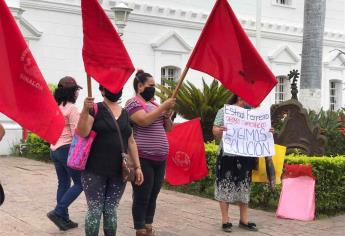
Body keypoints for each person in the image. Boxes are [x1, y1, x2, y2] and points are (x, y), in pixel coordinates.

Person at [77, 85, 144, 236]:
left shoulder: (126, 114)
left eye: (118, 86)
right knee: (94, 210)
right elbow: (82, 132)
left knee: (111, 210)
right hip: (94, 171)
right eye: (111, 87)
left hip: (118, 171)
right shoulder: (95, 109)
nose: (115, 89)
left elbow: (131, 141)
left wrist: (138, 167)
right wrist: (84, 110)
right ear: (102, 91)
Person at [213, 94, 274, 233]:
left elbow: (262, 131)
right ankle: (225, 220)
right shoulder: (225, 111)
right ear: (239, 95)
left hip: (246, 156)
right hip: (227, 155)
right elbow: (215, 130)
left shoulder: (253, 113)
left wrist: (268, 132)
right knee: (225, 185)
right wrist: (220, 130)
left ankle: (244, 220)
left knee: (244, 186)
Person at [125, 70, 176, 236]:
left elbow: (167, 128)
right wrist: (164, 107)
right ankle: (140, 228)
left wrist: (167, 116)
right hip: (143, 157)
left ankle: (148, 225)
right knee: (142, 194)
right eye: (151, 85)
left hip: (160, 158)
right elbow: (143, 121)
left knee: (153, 194)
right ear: (140, 86)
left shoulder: (155, 105)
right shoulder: (133, 103)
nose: (153, 89)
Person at [47, 76, 83, 231]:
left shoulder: (55, 107)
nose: (77, 93)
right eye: (75, 90)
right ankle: (58, 211)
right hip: (67, 149)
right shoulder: (72, 109)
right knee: (80, 183)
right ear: (70, 92)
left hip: (54, 149)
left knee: (63, 183)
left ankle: (64, 219)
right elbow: (78, 133)